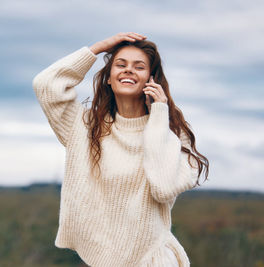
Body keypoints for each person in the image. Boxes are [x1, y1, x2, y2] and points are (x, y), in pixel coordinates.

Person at [32, 32, 209, 267]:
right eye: (120, 64)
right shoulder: (84, 127)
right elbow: (46, 85)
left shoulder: (173, 134)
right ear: (108, 78)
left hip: (152, 260)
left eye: (139, 67)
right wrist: (98, 48)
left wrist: (158, 114)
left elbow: (163, 188)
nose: (128, 70)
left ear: (151, 80)